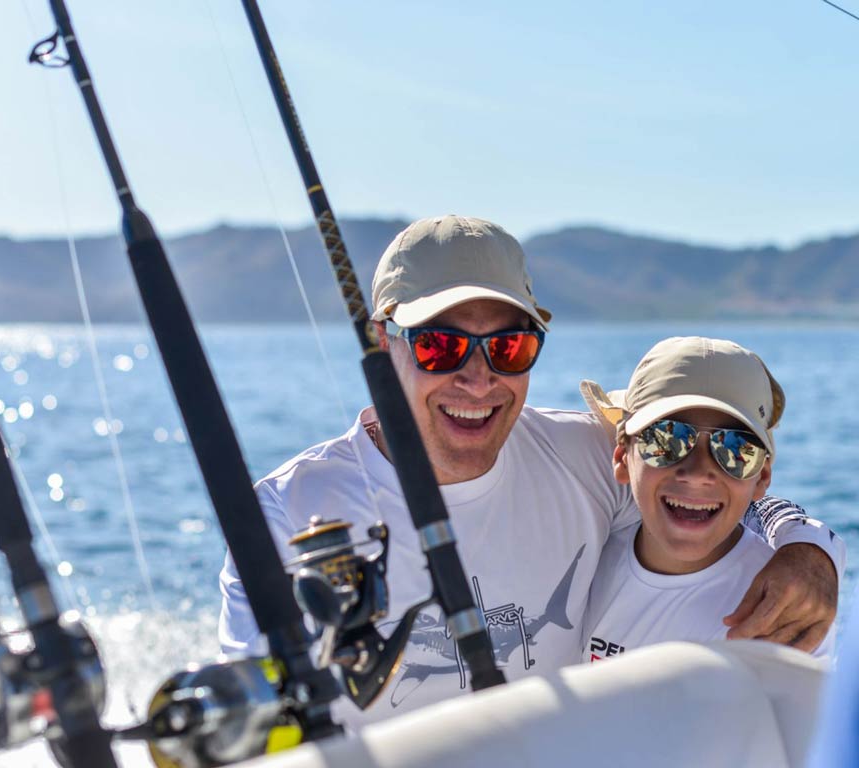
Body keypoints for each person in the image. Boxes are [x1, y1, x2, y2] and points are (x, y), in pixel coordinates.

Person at [219, 215, 843, 728]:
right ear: (383, 343)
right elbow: (258, 727)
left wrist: (808, 551)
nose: (478, 378)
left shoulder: (588, 455)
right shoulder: (281, 514)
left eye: (509, 347)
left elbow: (718, 490)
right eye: (441, 345)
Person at [580, 337, 835, 663]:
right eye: (667, 438)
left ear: (763, 477)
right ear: (621, 458)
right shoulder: (583, 556)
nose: (698, 473)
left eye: (735, 449)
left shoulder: (786, 609)